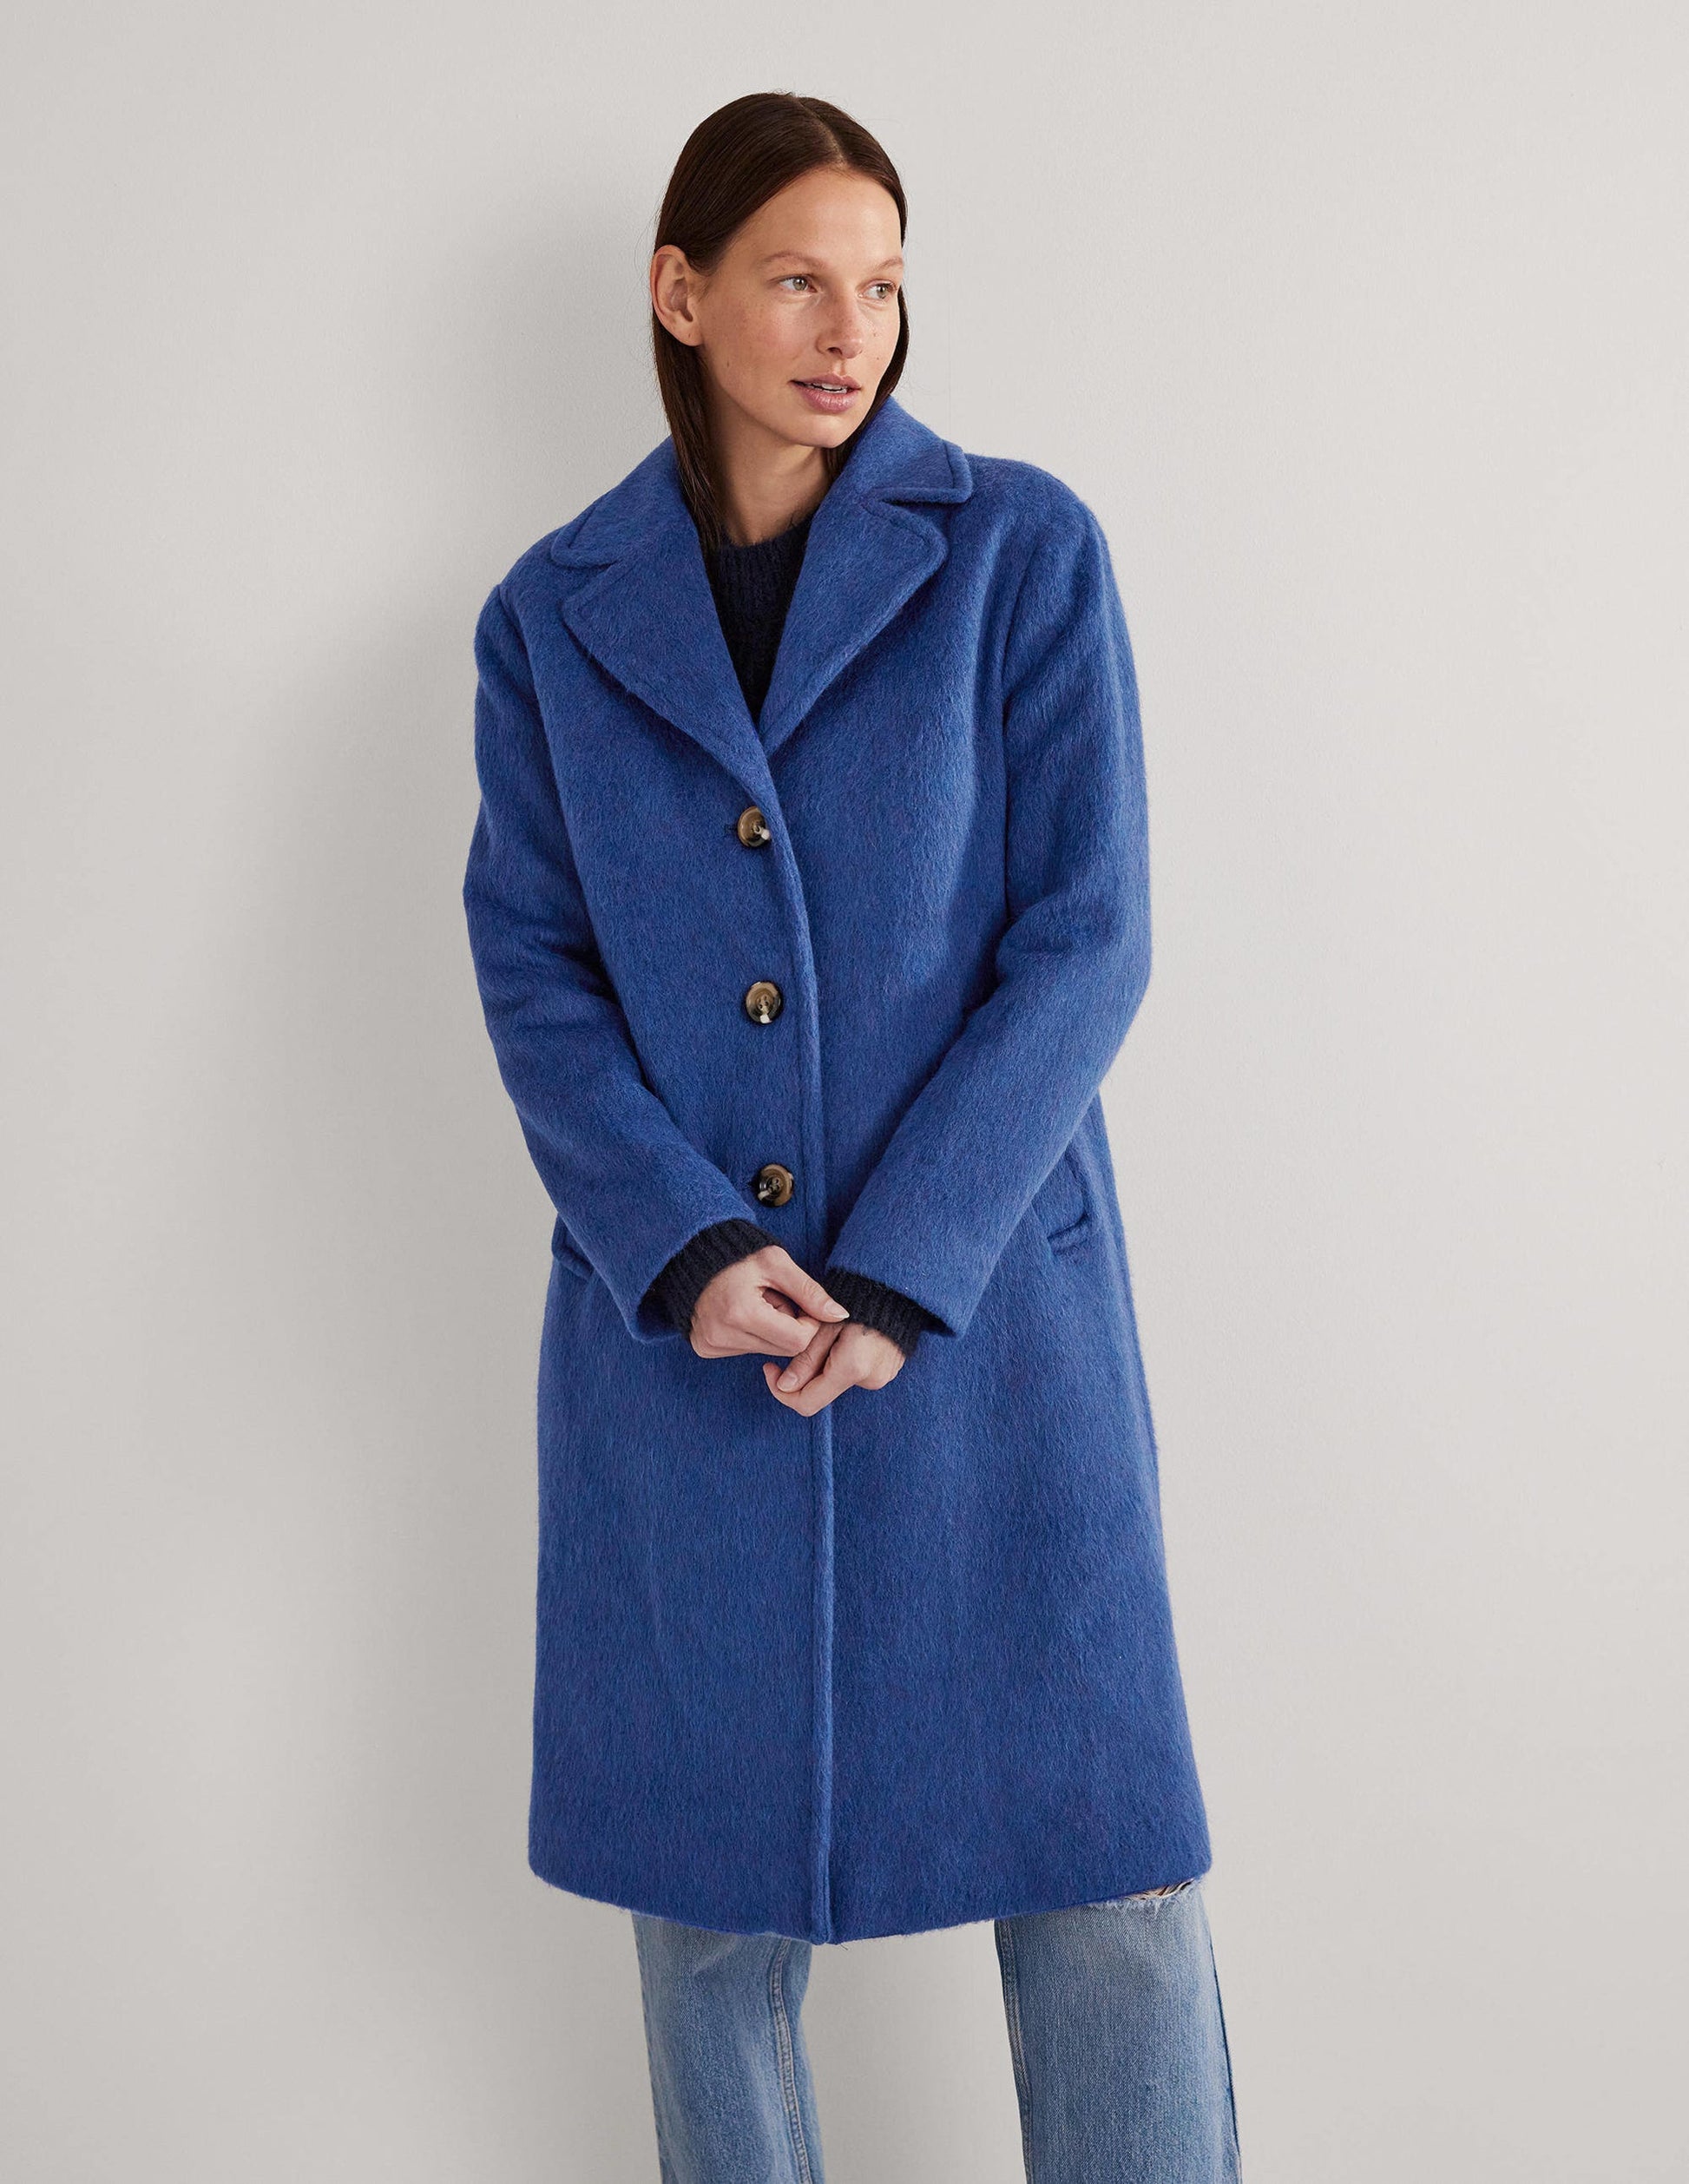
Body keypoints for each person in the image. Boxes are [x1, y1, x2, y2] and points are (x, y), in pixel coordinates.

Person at [463, 89, 1240, 2183]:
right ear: (680, 292)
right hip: (692, 1351)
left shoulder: (1018, 552)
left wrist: (903, 1267)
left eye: (881, 284)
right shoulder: (550, 615)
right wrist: (685, 1241)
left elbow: (1088, 938)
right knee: (706, 1916)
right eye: (799, 277)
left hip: (987, 1332)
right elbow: (534, 965)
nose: (849, 330)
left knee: (1106, 1886)